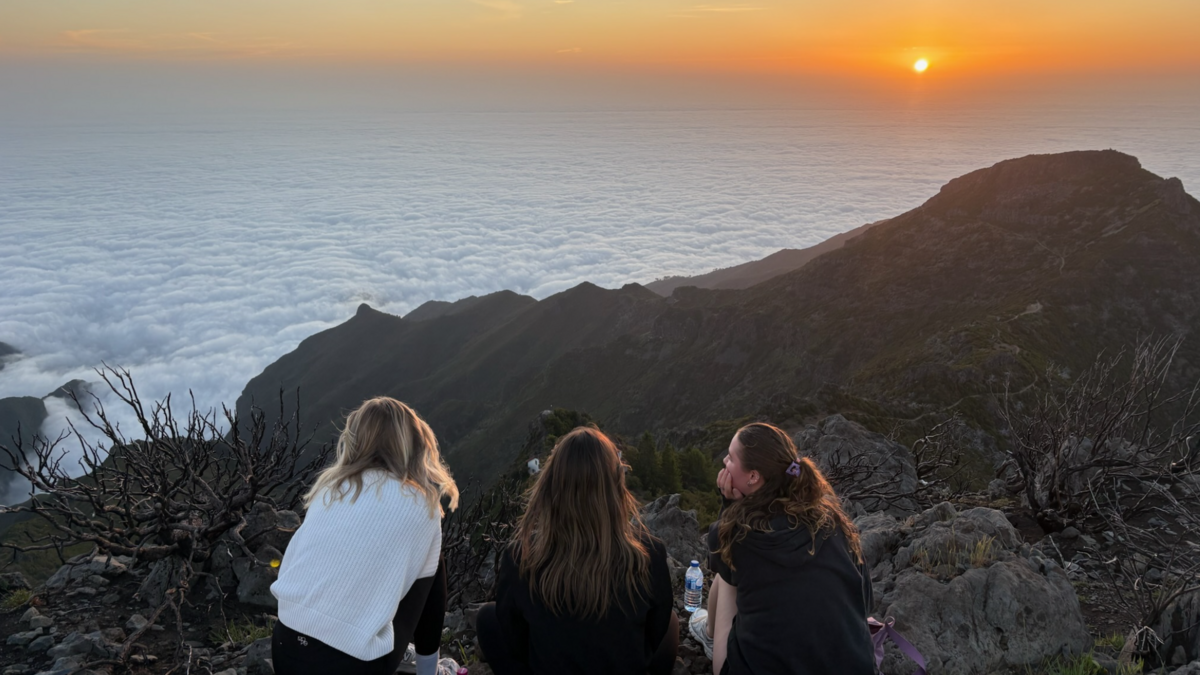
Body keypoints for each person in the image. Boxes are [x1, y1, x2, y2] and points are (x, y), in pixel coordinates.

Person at [270, 397, 461, 675]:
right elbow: (425, 599)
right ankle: (429, 670)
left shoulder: (330, 487)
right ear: (413, 442)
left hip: (285, 649)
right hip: (352, 664)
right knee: (431, 568)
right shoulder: (421, 504)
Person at [475, 427, 679, 675]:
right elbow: (655, 631)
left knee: (487, 618)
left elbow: (514, 637)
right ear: (615, 487)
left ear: (551, 487)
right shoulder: (649, 554)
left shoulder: (522, 558)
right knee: (671, 623)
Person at [688, 423, 875, 675]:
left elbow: (718, 560)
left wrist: (729, 506)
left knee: (726, 575)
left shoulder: (739, 534)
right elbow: (865, 600)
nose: (724, 461)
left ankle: (709, 634)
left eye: (730, 458)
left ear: (753, 476)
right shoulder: (832, 521)